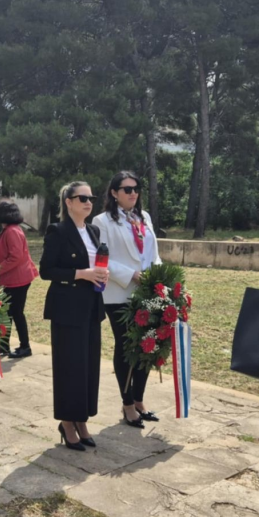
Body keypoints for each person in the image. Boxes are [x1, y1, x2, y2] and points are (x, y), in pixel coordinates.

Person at [40, 182, 108, 451]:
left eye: (91, 197)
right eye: (82, 197)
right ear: (68, 201)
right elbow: (46, 270)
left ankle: (82, 419)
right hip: (67, 307)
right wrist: (82, 273)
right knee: (69, 367)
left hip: (91, 304)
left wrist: (102, 273)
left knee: (89, 366)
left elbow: (97, 263)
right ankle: (67, 422)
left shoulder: (93, 230)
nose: (88, 202)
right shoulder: (57, 230)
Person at [94, 171, 162, 427]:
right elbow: (101, 259)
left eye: (136, 188)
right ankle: (126, 403)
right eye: (126, 189)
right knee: (126, 348)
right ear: (114, 193)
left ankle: (139, 399)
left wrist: (158, 273)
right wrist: (130, 275)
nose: (133, 193)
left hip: (147, 292)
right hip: (119, 293)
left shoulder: (143, 217)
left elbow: (153, 252)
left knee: (147, 346)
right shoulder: (102, 222)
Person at [0, 201, 37, 359]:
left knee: (16, 313)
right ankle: (4, 345)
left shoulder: (11, 231)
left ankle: (25, 346)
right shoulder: (10, 230)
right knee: (8, 312)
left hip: (18, 279)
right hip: (13, 278)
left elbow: (15, 257)